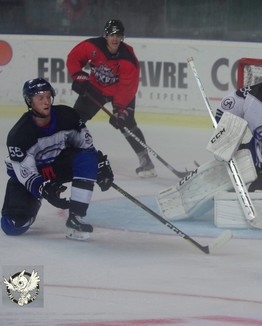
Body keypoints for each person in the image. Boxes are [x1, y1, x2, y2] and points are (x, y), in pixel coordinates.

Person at [1, 78, 114, 241]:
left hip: (57, 166)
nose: (46, 101)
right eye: (40, 98)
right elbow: (26, 174)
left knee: (88, 158)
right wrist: (43, 189)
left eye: (48, 96)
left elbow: (85, 147)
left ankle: (76, 218)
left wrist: (100, 165)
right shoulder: (19, 135)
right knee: (12, 226)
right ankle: (33, 200)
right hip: (32, 176)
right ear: (29, 101)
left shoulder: (68, 116)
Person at [66, 19, 156, 178]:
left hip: (119, 92)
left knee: (127, 124)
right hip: (96, 88)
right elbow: (74, 58)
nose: (115, 38)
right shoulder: (92, 46)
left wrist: (120, 111)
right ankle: (64, 155)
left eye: (118, 35)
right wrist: (78, 76)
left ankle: (145, 160)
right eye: (111, 34)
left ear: (122, 37)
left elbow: (127, 87)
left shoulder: (128, 58)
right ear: (105, 35)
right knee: (75, 120)